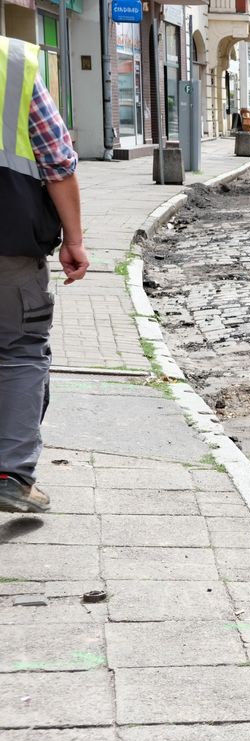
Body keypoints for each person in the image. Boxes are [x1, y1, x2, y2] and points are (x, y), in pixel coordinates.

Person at [0, 35, 88, 513]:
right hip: (8, 242)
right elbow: (57, 164)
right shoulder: (14, 64)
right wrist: (74, 241)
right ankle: (10, 475)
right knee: (17, 350)